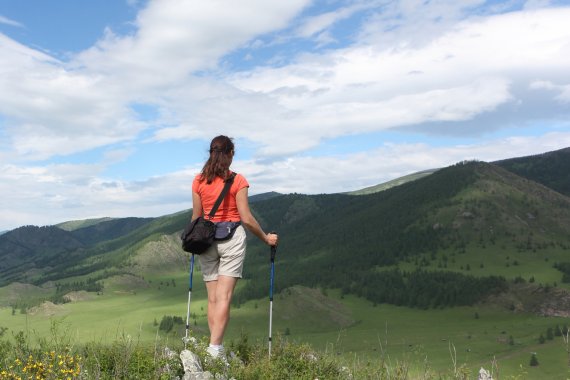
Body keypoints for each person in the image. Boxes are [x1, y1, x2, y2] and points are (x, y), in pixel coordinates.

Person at [191, 135, 278, 360]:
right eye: (233, 153)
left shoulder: (198, 181)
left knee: (212, 298)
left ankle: (214, 346)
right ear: (229, 154)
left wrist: (193, 240)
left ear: (211, 153)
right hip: (232, 240)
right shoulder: (238, 181)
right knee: (225, 297)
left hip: (206, 240)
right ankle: (215, 349)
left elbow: (196, 217)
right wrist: (266, 238)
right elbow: (247, 218)